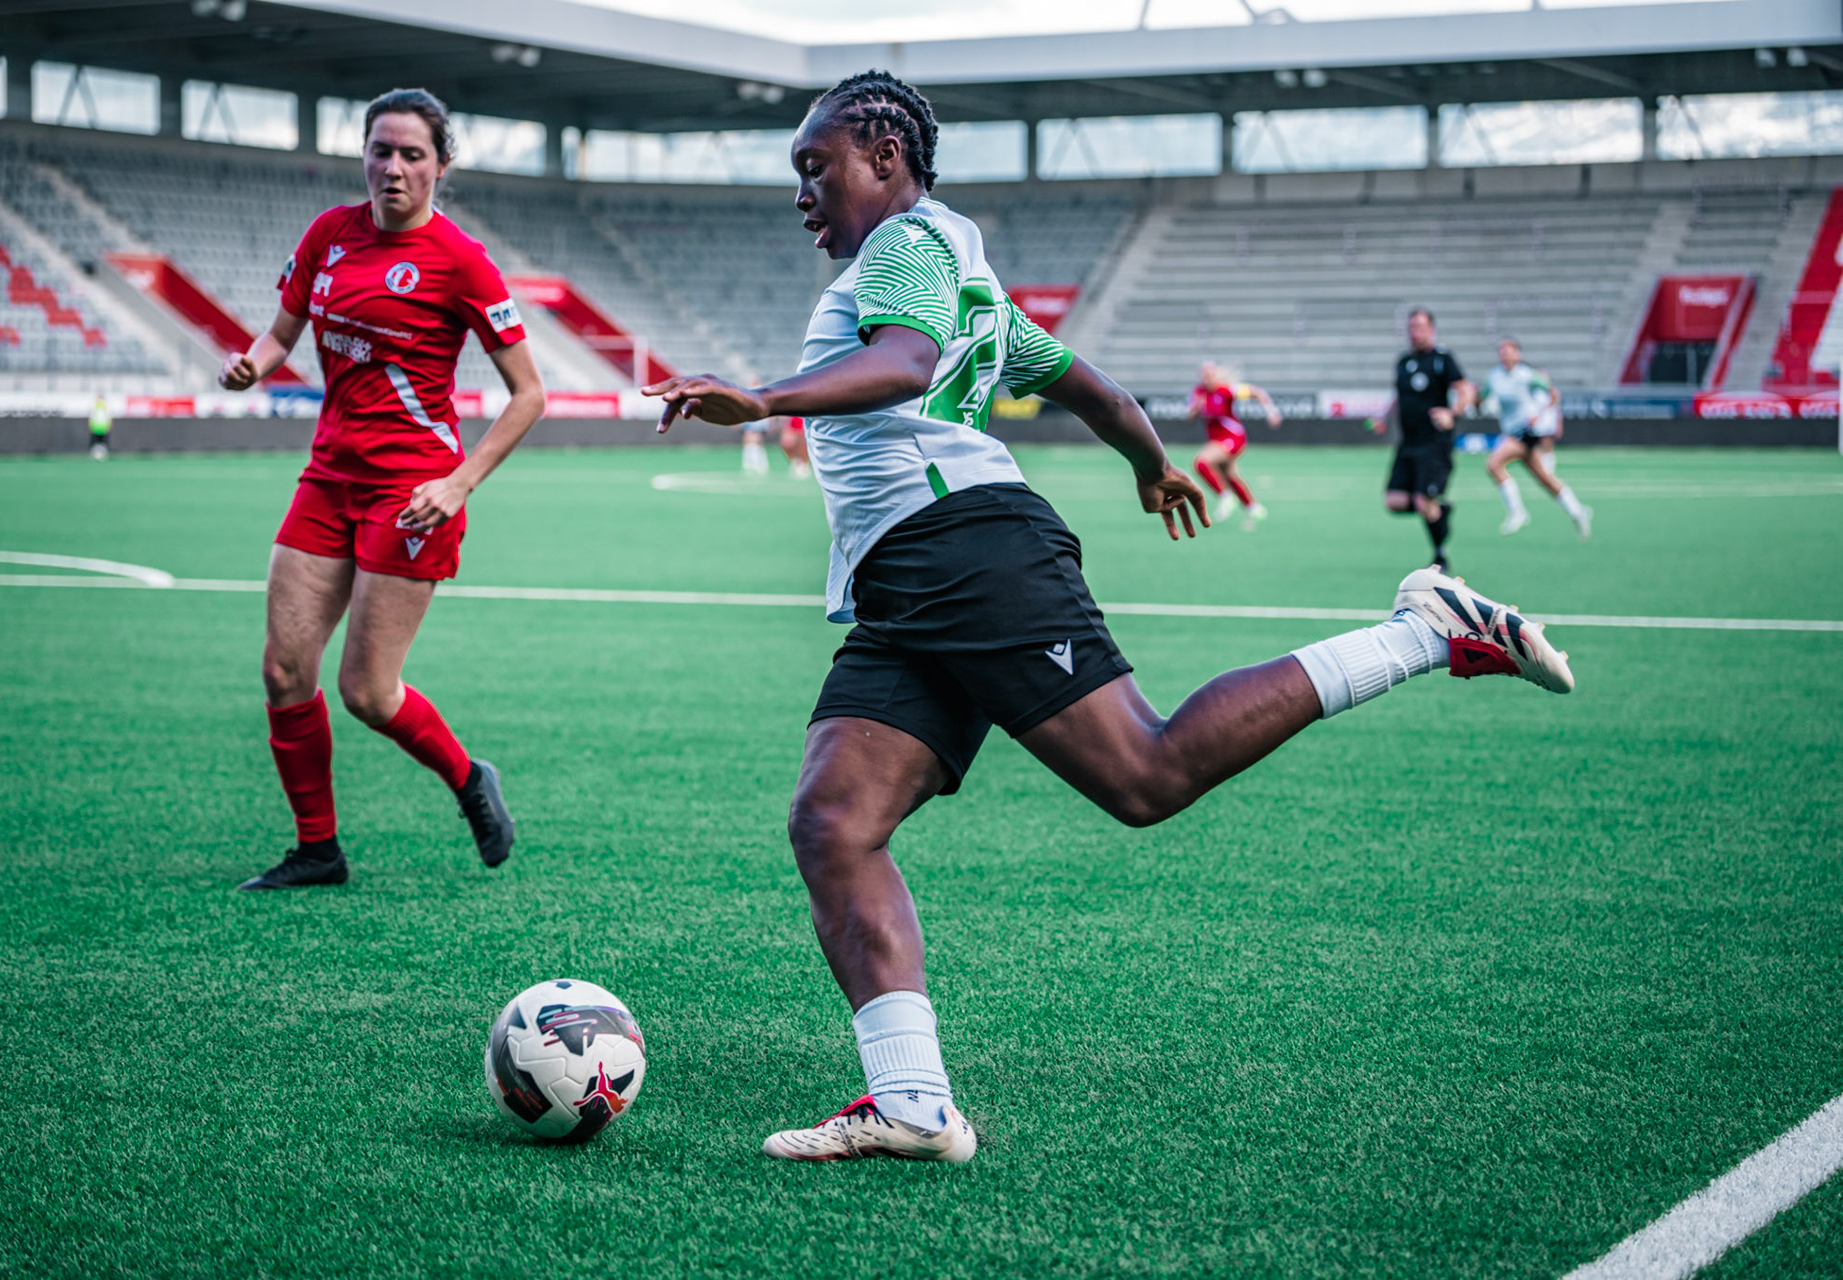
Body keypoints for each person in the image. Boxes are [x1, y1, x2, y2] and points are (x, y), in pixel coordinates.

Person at [645, 70, 1576, 1165]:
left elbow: (900, 365)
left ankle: (1426, 625)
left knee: (1147, 772)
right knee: (833, 822)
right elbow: (1098, 391)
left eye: (819, 166)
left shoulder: (905, 247)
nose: (803, 192)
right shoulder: (965, 277)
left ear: (886, 159)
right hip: (913, 585)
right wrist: (1154, 465)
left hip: (963, 552)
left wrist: (760, 399)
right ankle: (912, 1103)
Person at [219, 88, 545, 890]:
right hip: (327, 477)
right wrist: (254, 364)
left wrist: (458, 484)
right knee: (283, 670)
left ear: (439, 166)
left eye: (411, 154)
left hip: (412, 490)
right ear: (362, 154)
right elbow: (285, 329)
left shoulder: (461, 260)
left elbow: (530, 393)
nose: (392, 167)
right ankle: (317, 850)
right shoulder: (328, 234)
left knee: (366, 690)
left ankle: (469, 779)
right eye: (380, 150)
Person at [1370, 309, 1476, 573]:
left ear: (1431, 329)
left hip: (1434, 444)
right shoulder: (1404, 361)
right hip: (1408, 443)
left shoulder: (1442, 359)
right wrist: (1384, 417)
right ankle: (1439, 510)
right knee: (1393, 501)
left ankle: (1440, 555)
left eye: (1420, 327)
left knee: (1422, 502)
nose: (1415, 332)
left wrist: (1452, 413)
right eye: (1411, 327)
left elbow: (1466, 390)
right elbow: (1400, 397)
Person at [1479, 338, 1592, 540]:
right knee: (1545, 479)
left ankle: (1517, 513)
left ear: (1517, 354)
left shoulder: (1527, 375)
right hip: (1511, 432)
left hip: (1526, 432)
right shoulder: (1494, 376)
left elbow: (1553, 394)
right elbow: (1482, 396)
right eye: (1501, 350)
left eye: (1509, 350)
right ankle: (1577, 511)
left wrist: (1539, 414)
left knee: (1494, 465)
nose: (1504, 354)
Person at [1187, 361, 1281, 528]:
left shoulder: (1226, 390)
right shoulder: (1198, 392)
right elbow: (1190, 418)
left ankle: (1225, 497)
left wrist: (1271, 412)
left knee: (1201, 462)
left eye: (1211, 374)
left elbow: (1257, 393)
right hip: (1216, 440)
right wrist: (1195, 409)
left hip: (1232, 438)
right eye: (1204, 374)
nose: (1207, 377)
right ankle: (1254, 508)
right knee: (1229, 475)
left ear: (1216, 374)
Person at [87, 395, 112, 460]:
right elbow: (91, 418)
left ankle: (103, 455)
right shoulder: (95, 407)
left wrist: (108, 426)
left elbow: (109, 418)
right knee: (96, 442)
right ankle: (94, 455)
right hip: (96, 427)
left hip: (103, 427)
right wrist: (90, 426)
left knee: (103, 442)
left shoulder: (105, 407)